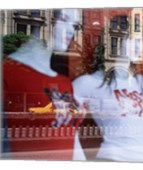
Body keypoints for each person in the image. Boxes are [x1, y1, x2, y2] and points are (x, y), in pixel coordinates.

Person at [72, 16, 143, 162]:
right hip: (112, 158)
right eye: (131, 40)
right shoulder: (90, 83)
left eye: (141, 41)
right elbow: (68, 126)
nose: (138, 46)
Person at [2, 9, 86, 160]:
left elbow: (72, 136)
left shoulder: (64, 82)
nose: (70, 31)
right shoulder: (9, 72)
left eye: (74, 25)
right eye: (63, 19)